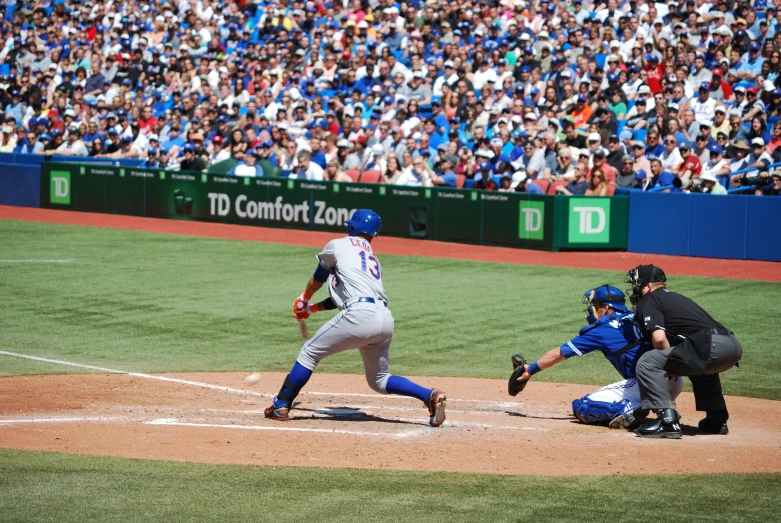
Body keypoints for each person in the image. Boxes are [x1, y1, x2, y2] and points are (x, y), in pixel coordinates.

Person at [264, 209, 447, 427]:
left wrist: (304, 298)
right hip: (384, 319)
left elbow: (318, 278)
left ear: (353, 227)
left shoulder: (338, 244)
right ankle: (429, 395)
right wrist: (311, 309)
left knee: (309, 353)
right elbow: (342, 297)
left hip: (360, 314)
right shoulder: (372, 257)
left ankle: (281, 404)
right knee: (379, 380)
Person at [510, 285, 682, 428]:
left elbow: (559, 353)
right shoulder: (639, 315)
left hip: (646, 384)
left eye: (595, 306)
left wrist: (530, 370)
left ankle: (630, 407)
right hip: (674, 379)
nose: (592, 311)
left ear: (606, 307)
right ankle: (662, 409)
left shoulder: (602, 329)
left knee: (581, 406)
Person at [626, 265, 743, 438]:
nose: (635, 289)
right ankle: (716, 419)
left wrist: (671, 364)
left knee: (648, 361)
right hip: (732, 346)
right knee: (699, 364)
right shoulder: (675, 297)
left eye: (638, 284)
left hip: (710, 345)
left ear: (648, 286)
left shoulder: (649, 300)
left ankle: (667, 422)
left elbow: (658, 338)